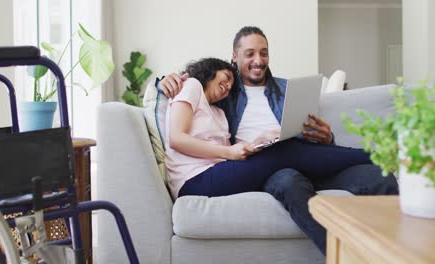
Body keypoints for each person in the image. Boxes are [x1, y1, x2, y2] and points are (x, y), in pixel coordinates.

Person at [160, 27, 398, 255]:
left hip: (308, 158)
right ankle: (346, 254)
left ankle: (401, 253)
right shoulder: (225, 96)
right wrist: (164, 82)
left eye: (264, 53)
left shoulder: (287, 89)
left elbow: (308, 132)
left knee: (378, 176)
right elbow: (183, 94)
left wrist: (328, 138)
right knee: (287, 175)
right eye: (250, 53)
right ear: (234, 57)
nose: (258, 60)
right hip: (273, 170)